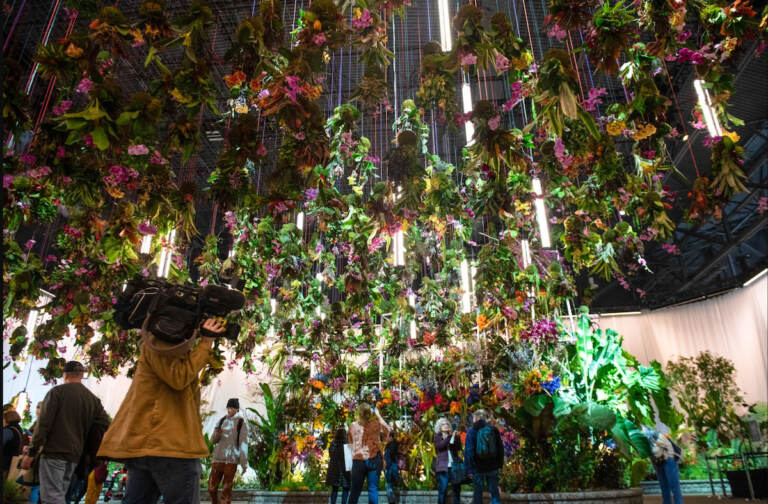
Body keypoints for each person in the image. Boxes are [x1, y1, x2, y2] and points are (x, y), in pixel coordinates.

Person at [96, 318, 223, 504]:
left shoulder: (161, 344)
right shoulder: (160, 343)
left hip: (151, 445)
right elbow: (178, 377)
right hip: (169, 445)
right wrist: (205, 342)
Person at [21, 361, 110, 504]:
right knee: (60, 493)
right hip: (75, 455)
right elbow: (105, 424)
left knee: (52, 497)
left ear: (65, 375)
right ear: (82, 376)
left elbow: (43, 425)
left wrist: (32, 453)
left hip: (54, 452)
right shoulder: (93, 399)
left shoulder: (57, 392)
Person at [347, 403, 391, 504]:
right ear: (370, 413)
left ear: (359, 413)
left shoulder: (353, 426)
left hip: (358, 460)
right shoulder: (375, 423)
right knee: (373, 489)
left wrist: (349, 466)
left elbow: (350, 445)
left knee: (355, 491)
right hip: (374, 459)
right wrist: (379, 416)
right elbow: (387, 431)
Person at [209, 398, 249, 504]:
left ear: (236, 409)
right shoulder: (222, 420)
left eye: (232, 407)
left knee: (226, 490)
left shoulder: (241, 423)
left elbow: (243, 444)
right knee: (211, 488)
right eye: (228, 407)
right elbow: (213, 440)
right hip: (218, 459)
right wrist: (217, 433)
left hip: (231, 461)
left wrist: (244, 463)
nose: (229, 410)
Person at [464, 410, 503, 504]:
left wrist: (469, 469)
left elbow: (469, 451)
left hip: (477, 468)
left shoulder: (472, 431)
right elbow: (500, 449)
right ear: (485, 418)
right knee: (494, 492)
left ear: (475, 418)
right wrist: (499, 465)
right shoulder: (493, 429)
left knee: (478, 493)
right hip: (492, 466)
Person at [644, 427, 683, 504]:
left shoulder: (651, 434)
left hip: (668, 459)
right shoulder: (643, 438)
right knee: (664, 487)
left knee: (674, 486)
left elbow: (665, 444)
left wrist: (670, 458)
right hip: (658, 462)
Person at [434, 418, 463, 504]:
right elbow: (440, 446)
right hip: (443, 467)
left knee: (456, 489)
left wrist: (456, 437)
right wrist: (449, 437)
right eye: (443, 424)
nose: (446, 425)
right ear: (439, 427)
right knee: (442, 489)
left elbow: (458, 448)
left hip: (454, 466)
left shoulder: (453, 436)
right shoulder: (437, 436)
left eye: (447, 423)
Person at [326, 427, 351, 504]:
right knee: (346, 489)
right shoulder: (347, 444)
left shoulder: (333, 444)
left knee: (335, 489)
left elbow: (331, 455)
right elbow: (349, 458)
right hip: (344, 470)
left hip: (334, 470)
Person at [3, 408, 24, 480]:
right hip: (11, 462)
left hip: (4, 463)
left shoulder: (8, 430)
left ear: (7, 419)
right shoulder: (18, 428)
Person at [384, 430, 401, 504]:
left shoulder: (390, 446)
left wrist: (385, 467)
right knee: (393, 485)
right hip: (393, 469)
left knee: (389, 485)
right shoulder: (395, 444)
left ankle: (392, 500)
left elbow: (388, 459)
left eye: (386, 437)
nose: (385, 439)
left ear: (390, 437)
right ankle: (394, 499)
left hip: (390, 469)